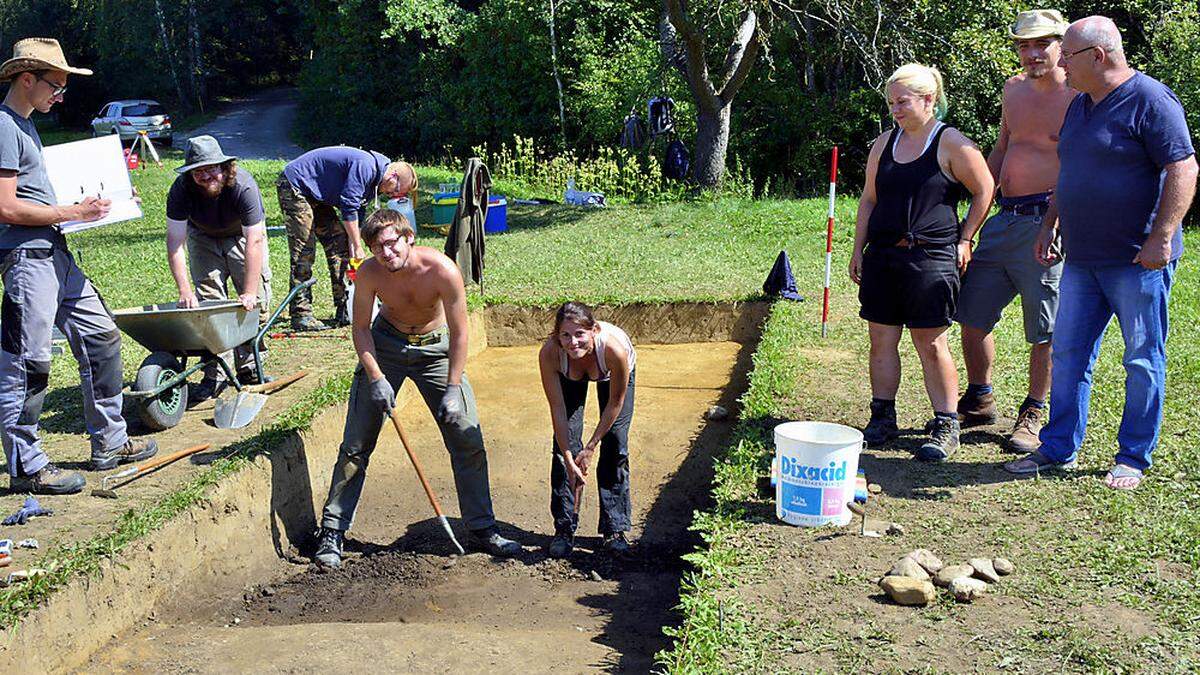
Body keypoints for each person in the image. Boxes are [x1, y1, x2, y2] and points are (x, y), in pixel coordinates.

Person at [1004, 17, 1197, 489]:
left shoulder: (1150, 100)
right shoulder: (1081, 106)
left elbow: (1183, 167)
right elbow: (1069, 173)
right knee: (1068, 354)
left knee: (1141, 358)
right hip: (1083, 258)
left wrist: (1163, 234)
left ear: (1099, 56)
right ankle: (1058, 447)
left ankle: (1132, 456)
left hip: (1137, 260)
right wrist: (1050, 222)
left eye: (1068, 55)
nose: (1061, 64)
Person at [313, 208, 519, 567]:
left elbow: (460, 333)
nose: (386, 253)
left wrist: (453, 388)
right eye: (377, 247)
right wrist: (375, 377)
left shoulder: (442, 270)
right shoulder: (370, 273)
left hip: (437, 349)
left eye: (391, 244)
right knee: (356, 444)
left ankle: (483, 527)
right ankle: (333, 530)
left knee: (467, 438)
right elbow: (361, 328)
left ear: (409, 237)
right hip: (387, 345)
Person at [0, 38, 157, 494]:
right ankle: (27, 465)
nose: (59, 95)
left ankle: (110, 441)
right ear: (26, 79)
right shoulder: (5, 127)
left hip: (57, 255)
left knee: (102, 337)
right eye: (56, 86)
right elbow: (6, 208)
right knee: (28, 363)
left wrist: (115, 205)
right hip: (28, 261)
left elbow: (41, 197)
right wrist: (73, 212)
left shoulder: (26, 126)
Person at [849, 63, 994, 461]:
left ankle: (946, 424)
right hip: (883, 257)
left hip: (931, 258)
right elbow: (869, 200)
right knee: (881, 339)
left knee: (930, 343)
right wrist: (857, 249)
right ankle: (882, 417)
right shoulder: (883, 144)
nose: (895, 109)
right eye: (892, 102)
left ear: (929, 100)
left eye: (903, 101)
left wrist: (966, 237)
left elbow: (985, 190)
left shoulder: (951, 143)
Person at [954, 10, 1075, 452]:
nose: (1032, 53)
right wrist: (971, 222)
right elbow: (1003, 147)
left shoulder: (1079, 92)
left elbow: (1082, 161)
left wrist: (1056, 221)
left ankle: (1034, 412)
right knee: (971, 313)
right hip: (1005, 217)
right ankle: (981, 396)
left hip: (1049, 221)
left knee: (1043, 327)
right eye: (1024, 45)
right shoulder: (1013, 89)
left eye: (1042, 43)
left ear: (1062, 44)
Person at [165, 135, 272, 401]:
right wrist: (184, 290)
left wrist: (248, 291)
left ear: (224, 167)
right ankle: (216, 375)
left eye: (211, 168)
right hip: (202, 236)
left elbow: (255, 240)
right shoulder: (180, 190)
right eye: (198, 171)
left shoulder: (243, 186)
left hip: (242, 237)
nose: (206, 175)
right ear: (190, 174)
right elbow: (175, 242)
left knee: (254, 304)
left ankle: (248, 368)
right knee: (209, 307)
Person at [277, 147, 416, 331]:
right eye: (395, 192)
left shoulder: (374, 182)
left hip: (316, 195)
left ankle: (345, 307)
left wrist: (353, 250)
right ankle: (301, 314)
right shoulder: (365, 167)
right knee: (304, 250)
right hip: (296, 186)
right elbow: (348, 208)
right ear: (393, 176)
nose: (392, 196)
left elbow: (356, 216)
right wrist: (358, 247)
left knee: (339, 243)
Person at [538, 302, 636, 557]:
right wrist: (570, 457)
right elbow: (558, 409)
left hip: (610, 375)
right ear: (556, 336)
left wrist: (592, 446)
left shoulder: (614, 350)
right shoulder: (551, 354)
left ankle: (614, 528)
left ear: (594, 330)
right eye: (565, 335)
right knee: (563, 448)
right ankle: (564, 527)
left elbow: (615, 403)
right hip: (569, 373)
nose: (573, 342)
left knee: (615, 443)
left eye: (580, 334)